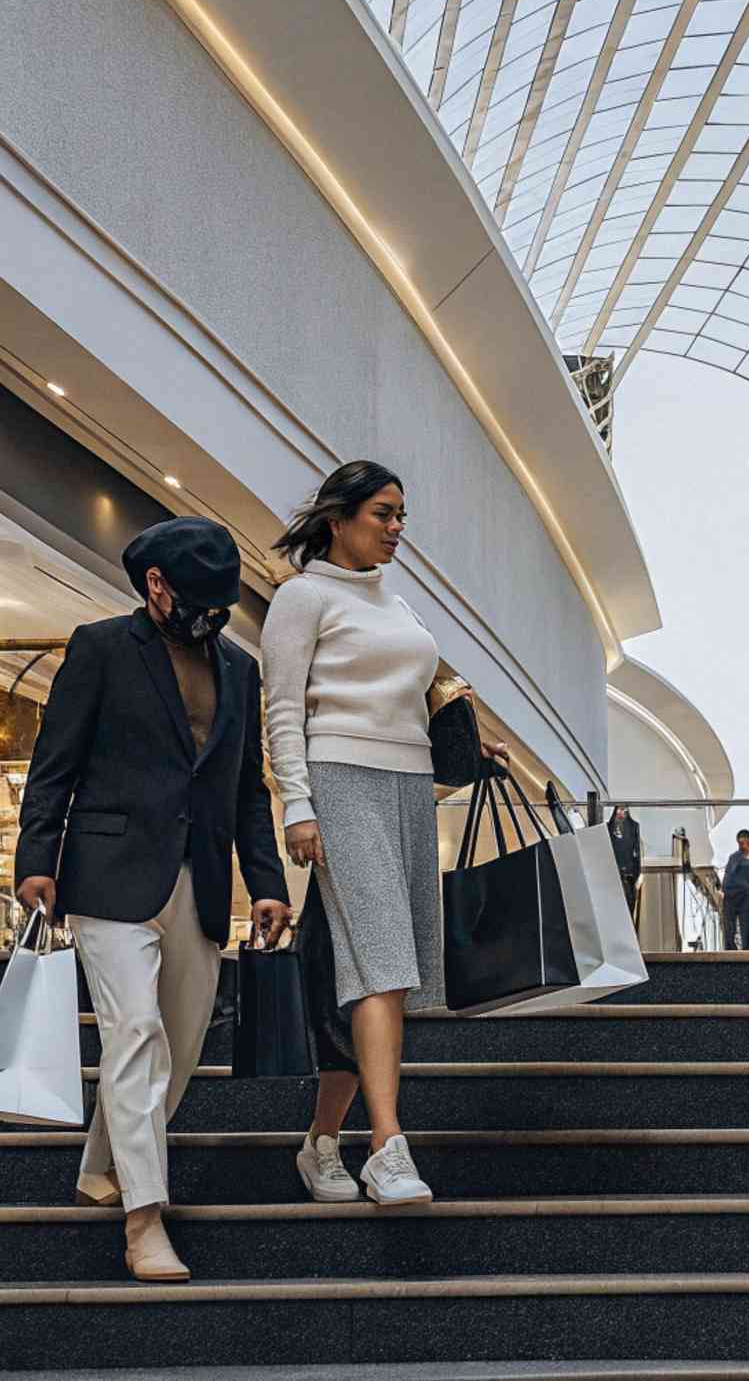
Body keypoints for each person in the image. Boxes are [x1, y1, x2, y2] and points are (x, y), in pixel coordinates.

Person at [14, 516, 291, 1282]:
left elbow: (244, 790)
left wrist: (265, 883)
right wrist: (36, 856)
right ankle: (145, 1220)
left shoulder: (238, 668)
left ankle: (104, 1165)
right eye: (197, 599)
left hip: (200, 880)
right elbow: (52, 763)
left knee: (181, 1044)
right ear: (156, 585)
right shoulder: (101, 647)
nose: (210, 617)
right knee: (135, 1033)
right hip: (108, 875)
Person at [263, 460, 505, 1208]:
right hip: (339, 781)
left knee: (374, 967)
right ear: (337, 519)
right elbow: (282, 710)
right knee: (384, 966)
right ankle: (387, 1147)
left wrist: (467, 744)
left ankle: (321, 1141)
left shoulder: (400, 607)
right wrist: (297, 806)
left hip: (407, 787)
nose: (397, 527)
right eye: (382, 513)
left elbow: (419, 696)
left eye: (402, 515)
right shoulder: (302, 598)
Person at [608, 805, 643, 926]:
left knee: (629, 904)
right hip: (612, 874)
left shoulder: (634, 826)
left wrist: (637, 872)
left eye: (624, 810)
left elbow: (637, 850)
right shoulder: (607, 828)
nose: (621, 813)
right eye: (619, 810)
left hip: (628, 873)